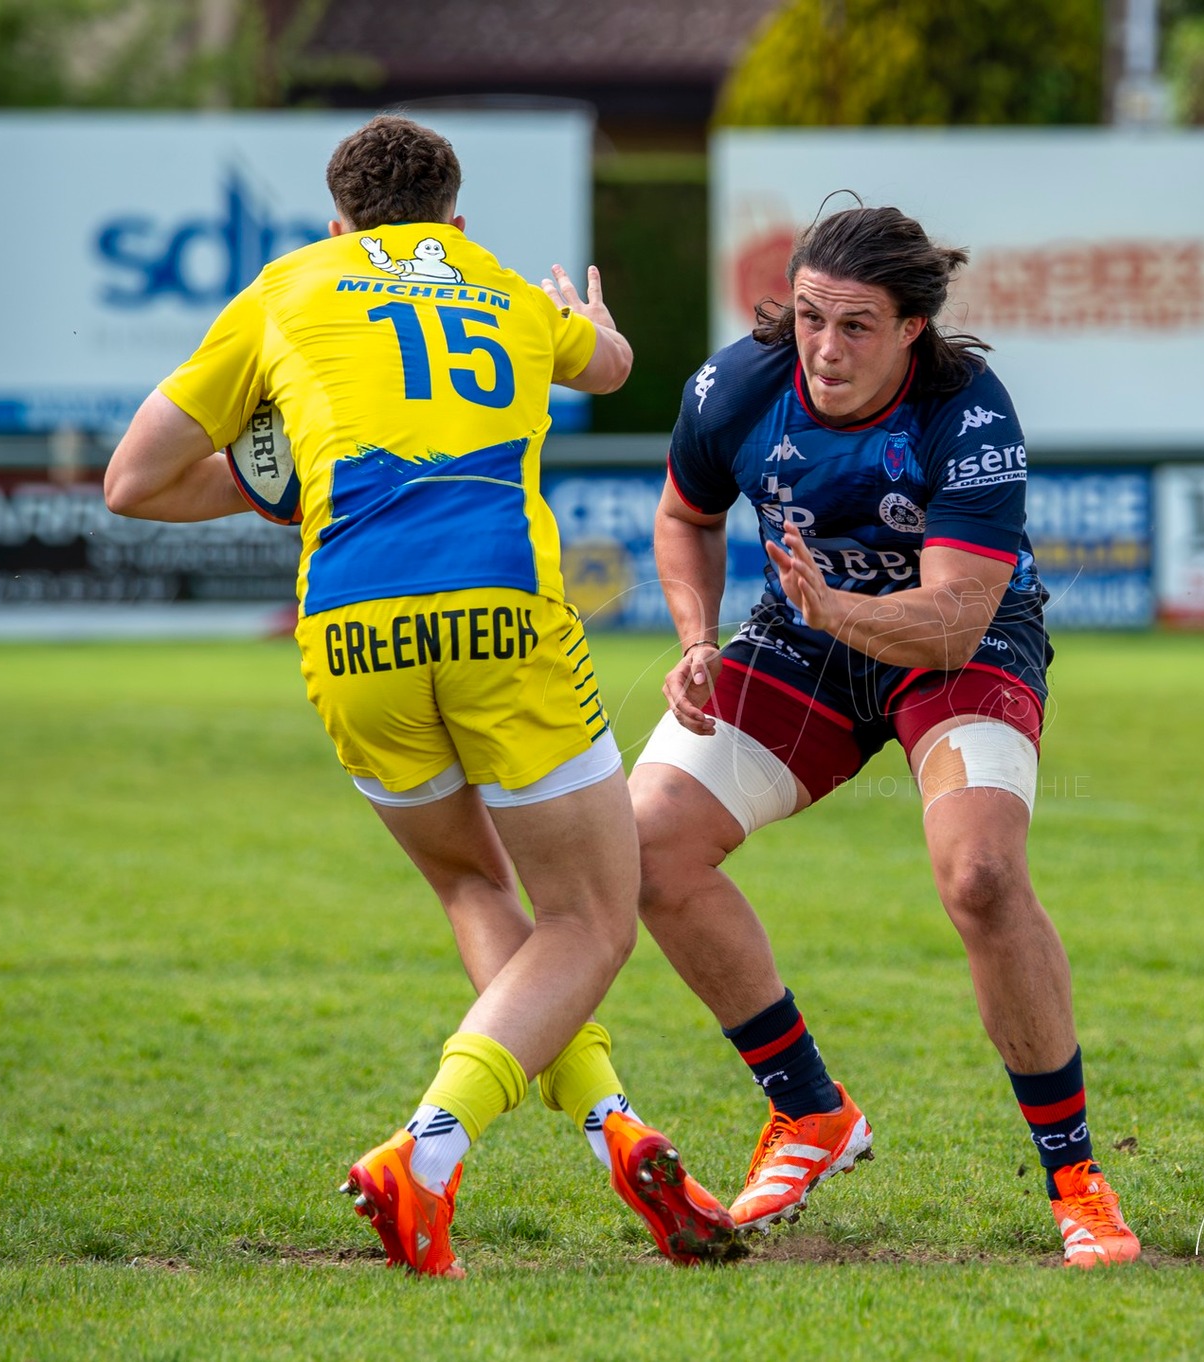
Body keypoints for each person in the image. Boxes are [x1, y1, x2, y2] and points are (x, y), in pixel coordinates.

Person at [102, 114, 739, 1276]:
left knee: (468, 879)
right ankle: (426, 1151)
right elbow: (610, 367)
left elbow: (129, 481)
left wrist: (278, 487)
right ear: (454, 219)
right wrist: (592, 325)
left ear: (335, 223)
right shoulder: (491, 279)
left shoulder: (283, 288)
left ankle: (615, 1129)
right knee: (592, 919)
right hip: (499, 612)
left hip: (348, 627)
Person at [630, 204, 1141, 1268]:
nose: (823, 349)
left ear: (912, 329)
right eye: (809, 316)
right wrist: (693, 636)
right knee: (646, 846)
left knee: (983, 878)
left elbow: (952, 614)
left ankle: (1075, 1178)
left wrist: (838, 613)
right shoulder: (737, 386)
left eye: (855, 326)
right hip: (801, 640)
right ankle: (809, 1113)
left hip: (959, 650)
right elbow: (683, 515)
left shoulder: (968, 412)